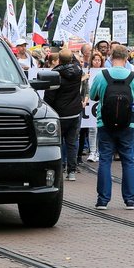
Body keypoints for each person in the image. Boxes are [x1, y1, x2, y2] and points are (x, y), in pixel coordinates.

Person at [88, 43, 134, 210]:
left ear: (111, 57)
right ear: (127, 58)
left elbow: (92, 95)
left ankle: (103, 200)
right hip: (128, 124)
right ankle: (131, 200)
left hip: (104, 123)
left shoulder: (102, 75)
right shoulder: (133, 76)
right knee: (128, 161)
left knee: (105, 160)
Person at [43, 49, 83, 182]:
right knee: (72, 143)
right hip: (74, 113)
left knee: (57, 143)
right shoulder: (78, 70)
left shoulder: (54, 75)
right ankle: (72, 171)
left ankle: (59, 170)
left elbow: (49, 97)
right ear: (72, 58)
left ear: (59, 60)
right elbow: (76, 61)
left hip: (59, 114)